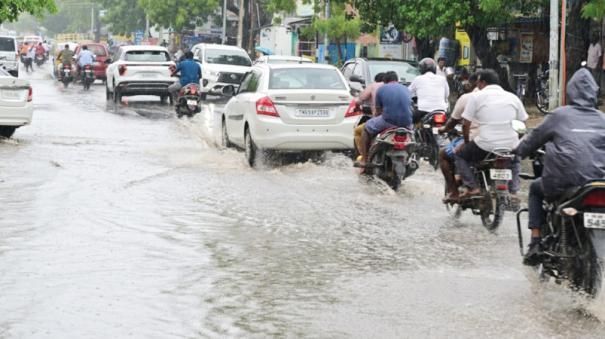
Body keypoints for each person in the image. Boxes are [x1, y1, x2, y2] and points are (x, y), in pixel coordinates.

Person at [515, 68, 605, 265]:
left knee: (535, 189)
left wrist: (518, 151)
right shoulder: (602, 118)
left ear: (570, 91)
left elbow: (532, 141)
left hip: (564, 181)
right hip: (597, 182)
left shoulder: (559, 115)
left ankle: (536, 242)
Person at [454, 69, 527, 199]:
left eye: (477, 83)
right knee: (515, 161)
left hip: (485, 145)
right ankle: (513, 192)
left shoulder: (476, 97)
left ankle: (473, 187)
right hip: (510, 145)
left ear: (482, 83)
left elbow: (466, 124)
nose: (476, 86)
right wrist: (515, 140)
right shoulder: (513, 97)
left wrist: (466, 143)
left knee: (460, 156)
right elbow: (522, 125)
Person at [357, 71, 413, 167]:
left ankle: (364, 160)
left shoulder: (382, 89)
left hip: (388, 122)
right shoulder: (406, 89)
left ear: (385, 81)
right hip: (407, 123)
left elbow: (378, 111)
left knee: (366, 128)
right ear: (397, 80)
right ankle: (411, 158)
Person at [437, 73, 479, 203]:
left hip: (477, 140)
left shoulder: (467, 98)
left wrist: (444, 129)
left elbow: (454, 121)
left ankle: (453, 192)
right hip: (503, 143)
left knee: (444, 153)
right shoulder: (505, 97)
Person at [408, 58, 449, 123]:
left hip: (423, 111)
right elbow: (447, 95)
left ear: (421, 69)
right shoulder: (442, 79)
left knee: (412, 124)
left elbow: (408, 93)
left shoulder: (418, 79)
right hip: (441, 111)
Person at [354, 73, 385, 152]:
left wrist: (357, 107)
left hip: (381, 120)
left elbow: (360, 100)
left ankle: (363, 157)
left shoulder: (373, 86)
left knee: (358, 131)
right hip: (401, 122)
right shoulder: (398, 88)